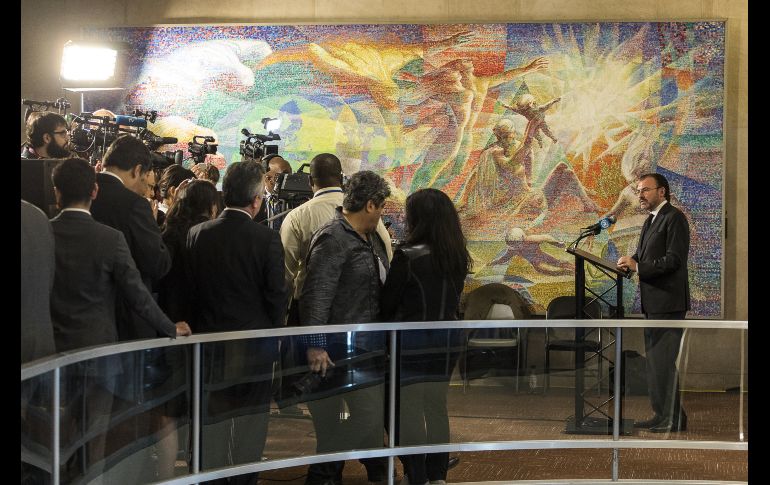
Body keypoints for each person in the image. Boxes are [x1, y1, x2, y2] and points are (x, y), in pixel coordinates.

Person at [48, 158, 191, 480]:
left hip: (52, 353)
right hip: (100, 352)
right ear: (94, 191)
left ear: (56, 193)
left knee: (58, 432)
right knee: (97, 435)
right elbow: (138, 295)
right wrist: (170, 327)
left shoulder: (44, 231)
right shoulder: (110, 238)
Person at [185, 160, 287, 484]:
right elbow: (277, 295)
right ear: (256, 200)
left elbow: (189, 291)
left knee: (211, 425)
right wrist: (272, 332)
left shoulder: (197, 234)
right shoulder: (266, 239)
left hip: (208, 347)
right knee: (250, 427)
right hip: (254, 348)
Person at [298, 170, 392, 485]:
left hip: (366, 348)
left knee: (369, 417)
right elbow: (315, 297)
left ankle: (373, 472)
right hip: (336, 352)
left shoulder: (371, 236)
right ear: (369, 205)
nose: (382, 212)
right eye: (381, 206)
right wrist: (315, 345)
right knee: (361, 419)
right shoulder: (333, 238)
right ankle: (322, 473)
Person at [380, 189, 471, 485]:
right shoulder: (457, 255)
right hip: (448, 340)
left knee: (408, 410)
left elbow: (388, 304)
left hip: (411, 342)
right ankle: (438, 475)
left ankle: (416, 475)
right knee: (436, 406)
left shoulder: (407, 256)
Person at [281, 153, 393, 324]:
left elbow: (285, 275)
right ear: (341, 177)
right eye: (381, 207)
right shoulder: (342, 230)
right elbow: (318, 295)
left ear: (310, 181)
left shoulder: (297, 216)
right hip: (342, 324)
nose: (381, 212)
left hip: (320, 319)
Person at [617, 172, 690, 433]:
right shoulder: (651, 220)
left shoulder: (675, 218)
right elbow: (643, 256)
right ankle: (661, 415)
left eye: (645, 190)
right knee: (656, 364)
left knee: (664, 363)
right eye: (638, 191)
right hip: (653, 304)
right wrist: (629, 263)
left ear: (662, 191)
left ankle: (674, 419)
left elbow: (674, 260)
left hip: (669, 304)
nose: (640, 195)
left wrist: (640, 266)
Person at [158, 179, 219, 322]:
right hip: (203, 313)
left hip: (170, 310)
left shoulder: (170, 230)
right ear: (210, 205)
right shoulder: (210, 234)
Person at [255, 154, 293, 230]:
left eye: (290, 174)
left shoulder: (297, 200)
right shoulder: (254, 200)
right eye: (284, 175)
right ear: (268, 178)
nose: (289, 178)